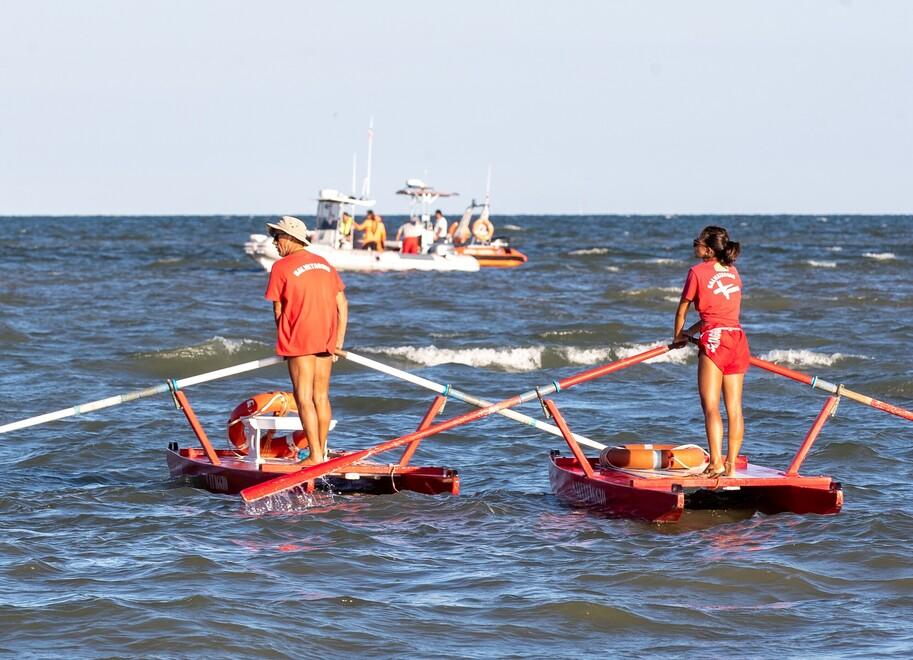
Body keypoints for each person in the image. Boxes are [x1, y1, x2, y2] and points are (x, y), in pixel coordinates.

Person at [265, 215, 348, 465]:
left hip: (299, 337)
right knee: (321, 397)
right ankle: (320, 452)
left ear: (290, 238)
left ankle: (314, 456)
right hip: (327, 338)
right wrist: (339, 342)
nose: (274, 243)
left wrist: (283, 341)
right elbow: (342, 305)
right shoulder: (324, 264)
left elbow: (278, 311)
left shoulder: (280, 267)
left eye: (277, 237)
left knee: (303, 398)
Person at [673, 226, 749, 478]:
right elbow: (718, 315)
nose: (694, 246)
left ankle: (716, 462)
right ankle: (730, 466)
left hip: (715, 340)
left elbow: (682, 310)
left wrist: (678, 336)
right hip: (737, 338)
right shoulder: (733, 271)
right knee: (735, 408)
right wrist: (690, 334)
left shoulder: (696, 272)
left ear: (707, 248)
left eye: (696, 242)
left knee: (711, 407)